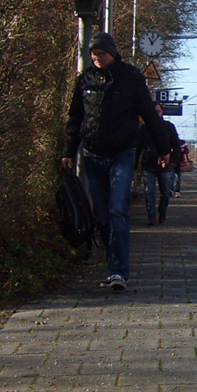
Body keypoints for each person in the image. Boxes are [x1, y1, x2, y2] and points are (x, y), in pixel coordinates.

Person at [61, 31, 172, 291]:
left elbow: (149, 114)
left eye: (101, 53)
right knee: (103, 215)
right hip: (92, 155)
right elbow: (75, 119)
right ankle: (112, 268)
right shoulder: (85, 81)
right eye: (93, 54)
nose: (97, 58)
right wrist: (68, 151)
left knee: (118, 209)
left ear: (112, 52)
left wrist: (164, 148)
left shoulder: (131, 78)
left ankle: (119, 271)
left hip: (123, 152)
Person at [137, 104, 180, 225]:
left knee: (165, 192)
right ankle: (151, 216)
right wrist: (135, 164)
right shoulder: (145, 128)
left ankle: (162, 212)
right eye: (153, 111)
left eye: (158, 111)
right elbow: (138, 147)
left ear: (162, 112)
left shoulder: (169, 127)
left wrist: (173, 161)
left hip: (165, 166)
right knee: (149, 191)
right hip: (148, 164)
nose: (156, 113)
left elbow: (176, 145)